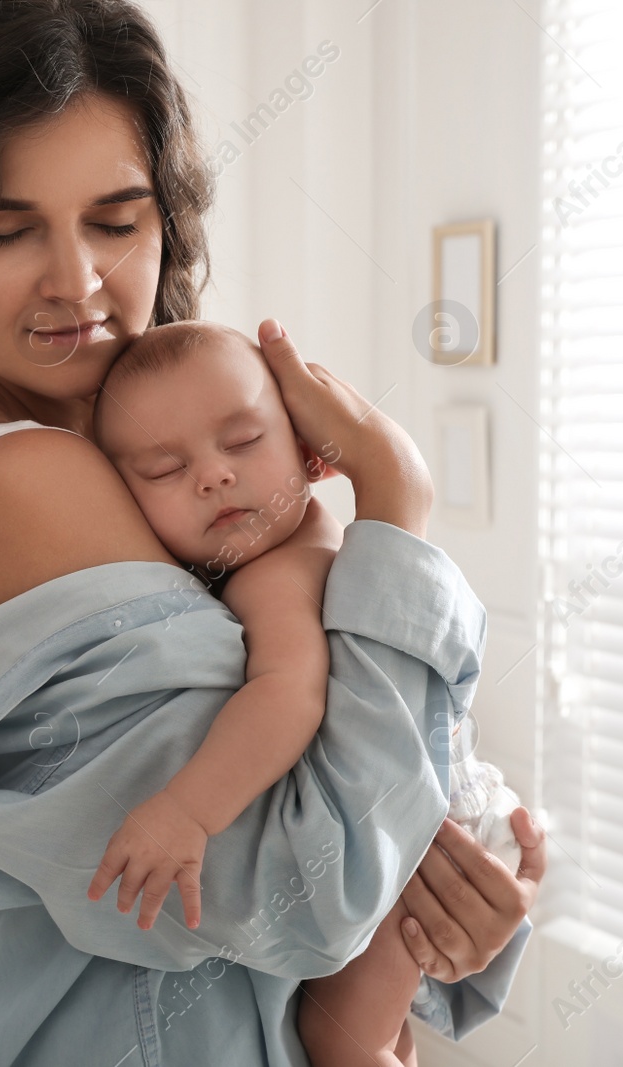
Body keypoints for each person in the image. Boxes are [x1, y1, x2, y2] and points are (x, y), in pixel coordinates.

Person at [0, 2, 547, 1064]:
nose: (77, 282)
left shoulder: (137, 460)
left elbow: (311, 881)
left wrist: (440, 918)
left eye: (115, 221)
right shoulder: (23, 479)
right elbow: (304, 895)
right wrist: (395, 501)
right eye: (5, 229)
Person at [88, 321, 525, 1066]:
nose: (212, 476)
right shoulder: (303, 535)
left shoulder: (277, 573)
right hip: (439, 809)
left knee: (339, 1041)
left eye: (243, 440)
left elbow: (290, 696)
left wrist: (186, 810)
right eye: (164, 469)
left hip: (425, 831)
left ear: (314, 454)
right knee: (374, 1033)